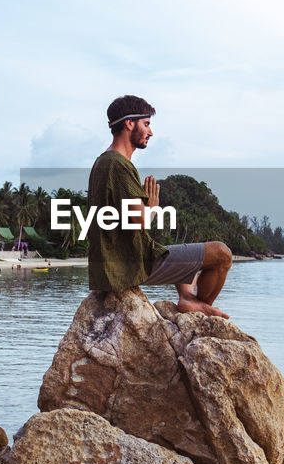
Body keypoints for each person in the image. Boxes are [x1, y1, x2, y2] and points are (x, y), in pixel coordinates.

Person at [88, 95, 232, 317]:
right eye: (146, 124)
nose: (150, 132)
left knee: (185, 253)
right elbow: (140, 220)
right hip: (128, 265)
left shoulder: (102, 162)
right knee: (222, 254)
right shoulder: (118, 165)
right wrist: (153, 206)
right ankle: (196, 307)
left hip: (114, 264)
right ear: (129, 123)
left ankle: (186, 297)